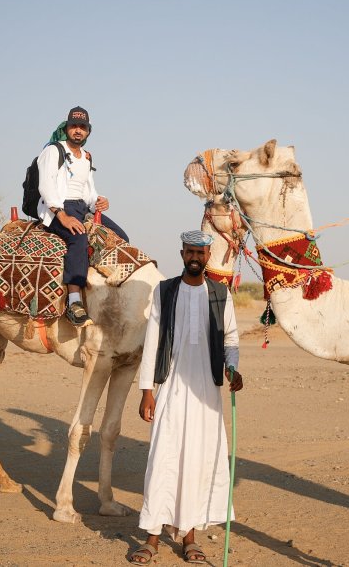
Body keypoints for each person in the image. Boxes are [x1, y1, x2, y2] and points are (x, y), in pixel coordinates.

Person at [129, 230, 244, 565]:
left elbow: (232, 339)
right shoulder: (165, 291)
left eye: (201, 252)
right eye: (190, 251)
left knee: (198, 461)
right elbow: (152, 341)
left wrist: (232, 368)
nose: (195, 257)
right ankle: (151, 538)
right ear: (182, 254)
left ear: (208, 256)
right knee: (163, 459)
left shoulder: (221, 294)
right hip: (172, 389)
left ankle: (189, 537)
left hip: (206, 393)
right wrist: (147, 391)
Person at [36, 106, 129, 328]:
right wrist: (61, 215)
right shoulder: (53, 151)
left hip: (82, 208)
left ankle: (104, 289)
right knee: (78, 238)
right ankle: (74, 302)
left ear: (88, 131)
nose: (78, 130)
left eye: (83, 127)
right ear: (66, 128)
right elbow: (46, 185)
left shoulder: (86, 157)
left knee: (121, 235)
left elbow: (88, 192)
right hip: (56, 207)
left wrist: (99, 200)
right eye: (74, 126)